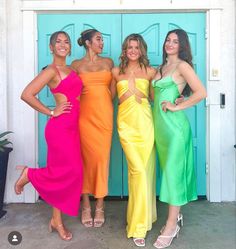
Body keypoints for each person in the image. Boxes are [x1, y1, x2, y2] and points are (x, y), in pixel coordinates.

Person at [14, 31, 83, 241]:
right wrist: (51, 111)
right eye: (58, 42)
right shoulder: (51, 70)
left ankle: (55, 220)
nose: (63, 45)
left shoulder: (72, 69)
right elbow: (26, 94)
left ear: (70, 47)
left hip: (72, 128)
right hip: (59, 129)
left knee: (64, 173)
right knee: (70, 172)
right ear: (51, 47)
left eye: (66, 42)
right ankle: (29, 175)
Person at [152, 29, 207, 248]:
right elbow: (156, 95)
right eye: (168, 40)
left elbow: (201, 92)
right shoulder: (161, 67)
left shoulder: (183, 66)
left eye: (175, 41)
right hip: (160, 128)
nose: (170, 44)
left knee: (173, 174)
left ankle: (171, 225)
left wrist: (177, 106)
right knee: (169, 172)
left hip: (175, 129)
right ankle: (177, 216)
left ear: (182, 45)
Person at [111, 33, 157, 247]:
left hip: (146, 127)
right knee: (137, 171)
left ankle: (141, 220)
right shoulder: (115, 72)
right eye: (129, 47)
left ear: (142, 50)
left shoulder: (151, 72)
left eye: (136, 47)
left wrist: (178, 99)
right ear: (124, 49)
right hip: (126, 127)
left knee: (143, 174)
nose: (132, 50)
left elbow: (158, 99)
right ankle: (138, 225)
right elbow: (107, 98)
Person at [71, 29, 113, 228]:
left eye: (102, 39)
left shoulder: (108, 63)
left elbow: (113, 91)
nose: (102, 42)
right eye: (98, 39)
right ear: (88, 43)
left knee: (102, 160)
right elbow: (69, 91)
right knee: (84, 160)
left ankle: (100, 205)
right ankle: (86, 204)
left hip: (104, 116)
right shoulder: (76, 65)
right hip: (83, 118)